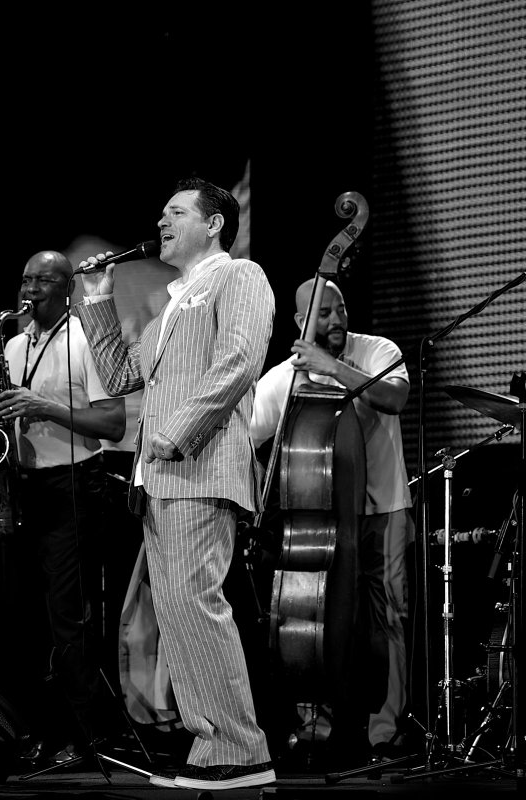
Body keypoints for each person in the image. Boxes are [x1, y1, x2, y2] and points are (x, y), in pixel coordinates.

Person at [73, 176, 276, 791]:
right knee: (177, 612)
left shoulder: (240, 276)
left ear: (214, 223)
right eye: (162, 213)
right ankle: (212, 747)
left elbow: (241, 361)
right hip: (159, 479)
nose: (161, 221)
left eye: (176, 212)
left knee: (197, 605)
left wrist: (177, 432)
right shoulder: (172, 302)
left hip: (197, 464)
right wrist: (99, 298)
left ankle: (241, 749)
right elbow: (119, 373)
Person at [250, 278, 413, 764]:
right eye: (323, 313)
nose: (336, 319)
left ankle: (386, 733)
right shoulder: (283, 377)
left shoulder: (378, 349)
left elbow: (395, 398)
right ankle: (319, 727)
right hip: (320, 523)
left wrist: (334, 368)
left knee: (391, 618)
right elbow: (246, 438)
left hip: (384, 508)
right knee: (317, 619)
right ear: (301, 323)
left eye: (340, 309)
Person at [0, 250, 127, 765]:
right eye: (25, 278)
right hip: (23, 487)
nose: (30, 288)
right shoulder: (13, 344)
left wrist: (42, 406)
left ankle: (88, 735)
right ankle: (38, 731)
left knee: (67, 618)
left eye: (43, 280)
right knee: (25, 617)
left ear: (67, 287)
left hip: (73, 486)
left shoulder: (86, 339)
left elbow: (112, 424)